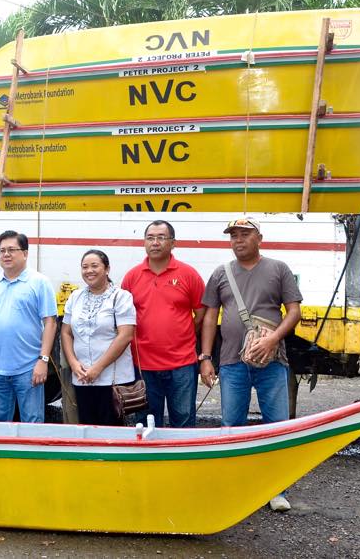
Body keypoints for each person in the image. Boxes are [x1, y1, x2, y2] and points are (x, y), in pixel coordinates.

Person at [200, 216, 302, 512]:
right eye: (233, 235)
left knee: (276, 426)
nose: (238, 240)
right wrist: (206, 358)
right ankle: (235, 487)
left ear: (260, 237)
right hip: (232, 362)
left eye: (245, 234)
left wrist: (273, 340)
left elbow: (293, 311)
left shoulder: (278, 269)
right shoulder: (221, 273)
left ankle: (277, 490)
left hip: (273, 363)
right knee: (232, 426)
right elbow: (209, 317)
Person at [121, 220, 206, 428]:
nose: (155, 243)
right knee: (145, 424)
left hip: (182, 365)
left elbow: (201, 313)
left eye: (161, 237)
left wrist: (181, 334)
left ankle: (183, 461)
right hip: (143, 365)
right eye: (150, 238)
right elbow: (123, 319)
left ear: (173, 243)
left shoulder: (188, 274)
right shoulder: (132, 277)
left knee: (183, 423)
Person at [0, 230, 57, 423]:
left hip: (29, 370)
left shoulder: (39, 283)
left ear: (25, 253)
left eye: (12, 249)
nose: (6, 254)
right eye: (2, 250)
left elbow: (50, 323)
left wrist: (43, 360)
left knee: (33, 423)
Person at [60, 249, 136, 426]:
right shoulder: (75, 297)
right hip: (82, 377)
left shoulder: (121, 297)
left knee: (111, 431)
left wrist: (98, 368)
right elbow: (66, 332)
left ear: (107, 269)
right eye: (84, 267)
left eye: (95, 266)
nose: (89, 270)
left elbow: (125, 335)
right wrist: (73, 363)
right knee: (87, 427)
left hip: (112, 380)